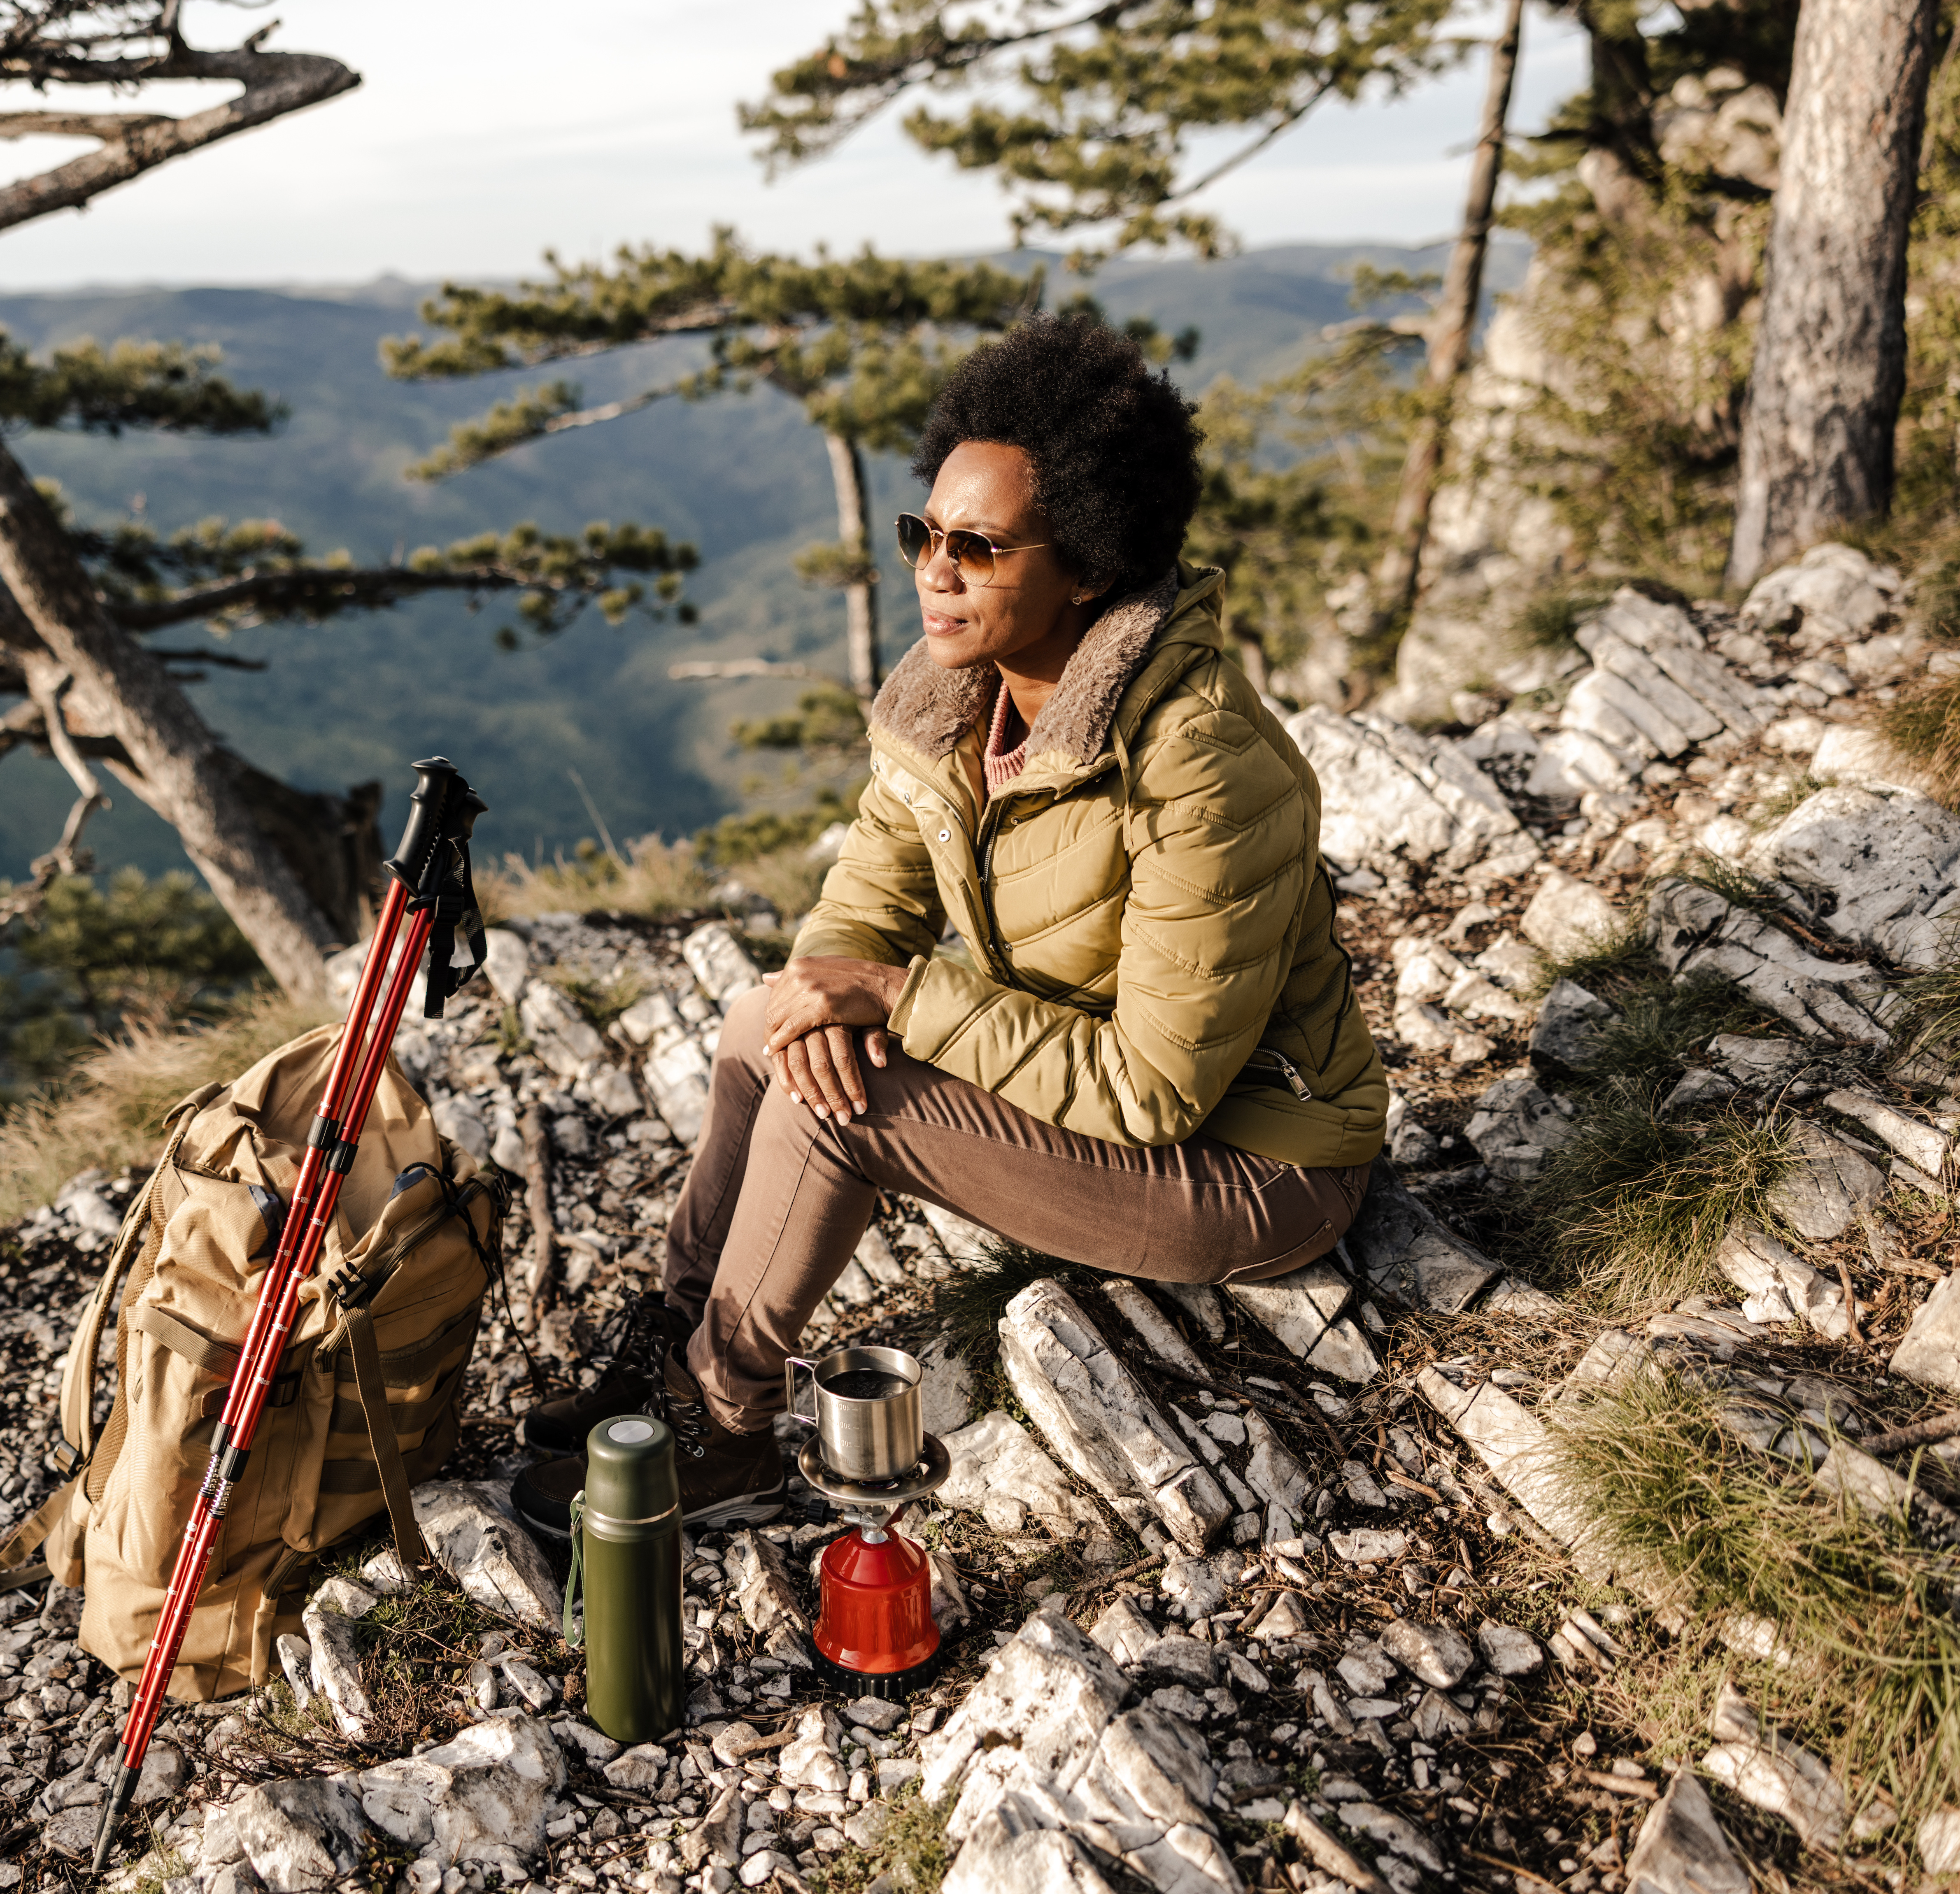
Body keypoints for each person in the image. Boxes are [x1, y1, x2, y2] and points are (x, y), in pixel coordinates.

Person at [514, 313, 1387, 1536]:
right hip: (1102, 1097)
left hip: (1257, 1164)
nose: (934, 568)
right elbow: (863, 901)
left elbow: (1152, 1095)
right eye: (923, 533)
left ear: (1086, 561)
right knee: (766, 1019)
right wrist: (826, 992)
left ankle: (724, 1427)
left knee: (843, 1107)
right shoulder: (953, 702)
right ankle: (677, 1342)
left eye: (975, 545)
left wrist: (903, 1000)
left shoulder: (1200, 767)